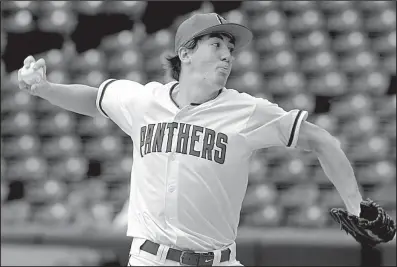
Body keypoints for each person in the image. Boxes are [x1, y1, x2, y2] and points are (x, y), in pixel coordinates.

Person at [17, 12, 372, 266]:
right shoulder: (143, 101)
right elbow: (92, 99)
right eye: (216, 44)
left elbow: (322, 140)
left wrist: (357, 207)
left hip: (219, 259)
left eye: (230, 49)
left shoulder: (247, 111)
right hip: (151, 259)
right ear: (185, 53)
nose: (227, 55)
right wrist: (45, 89)